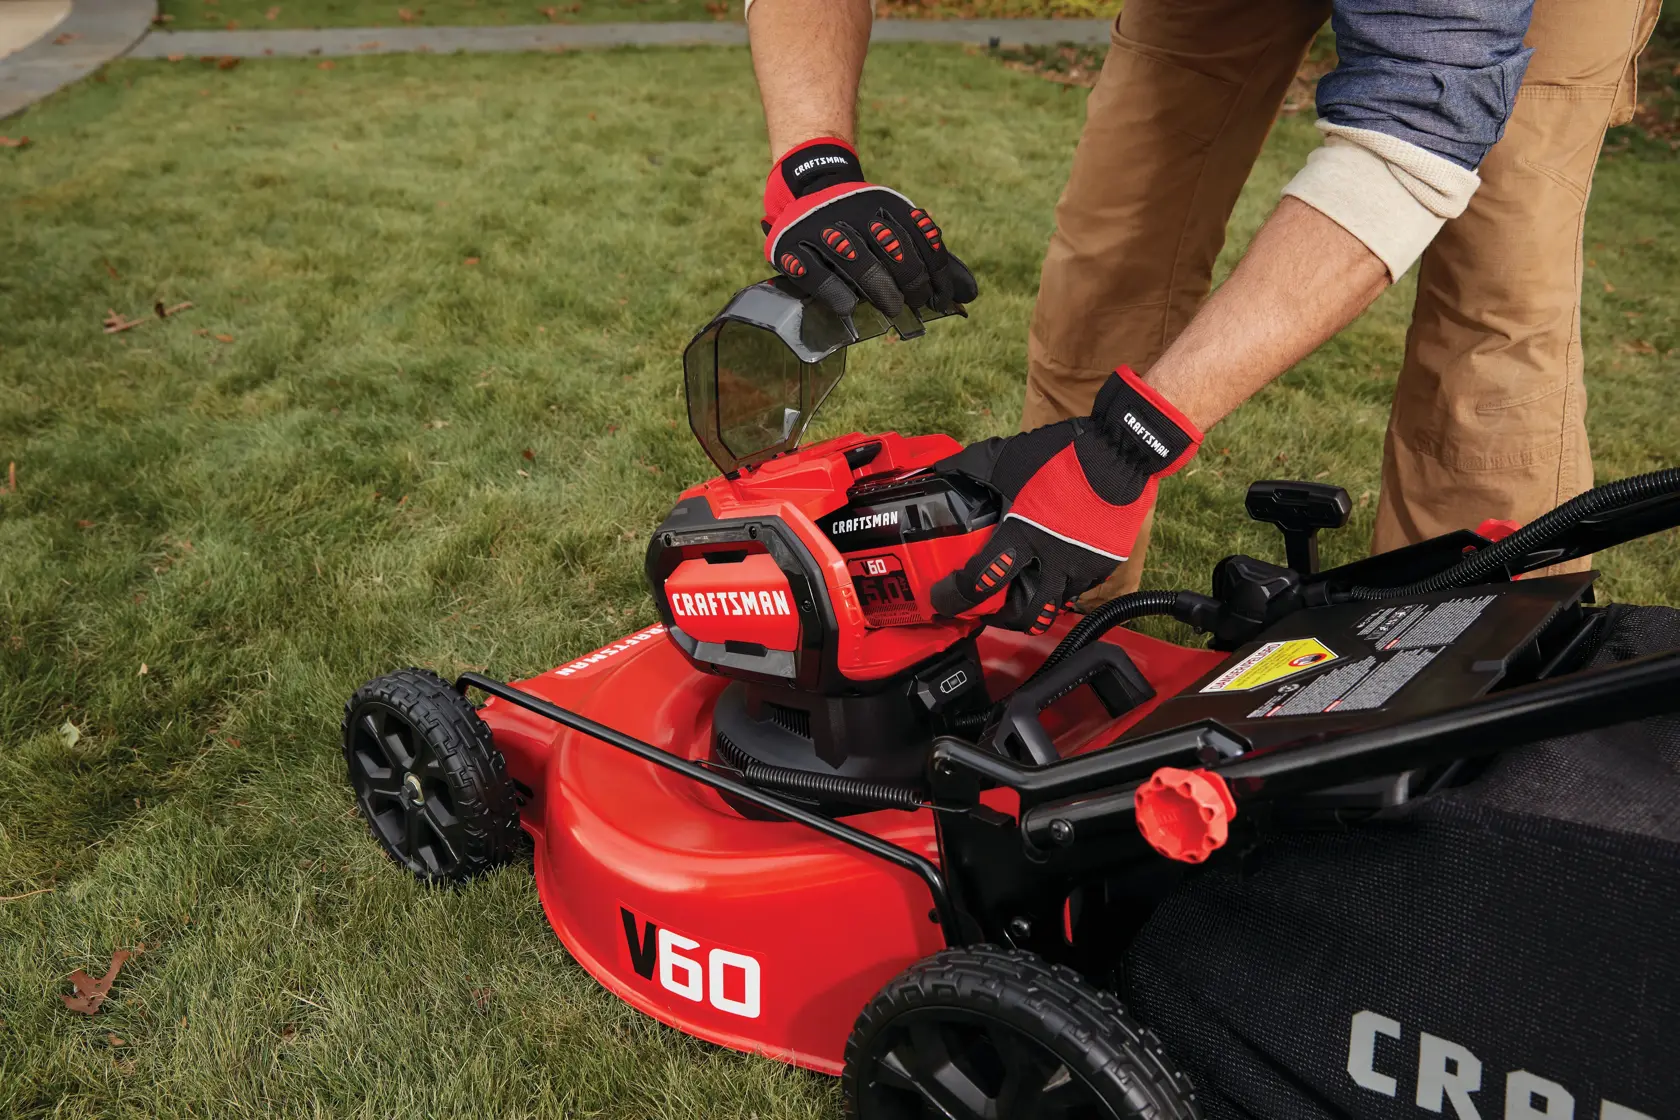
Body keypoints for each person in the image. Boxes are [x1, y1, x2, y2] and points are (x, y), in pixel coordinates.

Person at [746, 0, 1663, 633]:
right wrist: (813, 166)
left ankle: (1459, 701)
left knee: (1495, 308)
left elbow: (1416, 128)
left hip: (1480, 27)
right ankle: (1046, 624)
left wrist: (1137, 437)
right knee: (1113, 260)